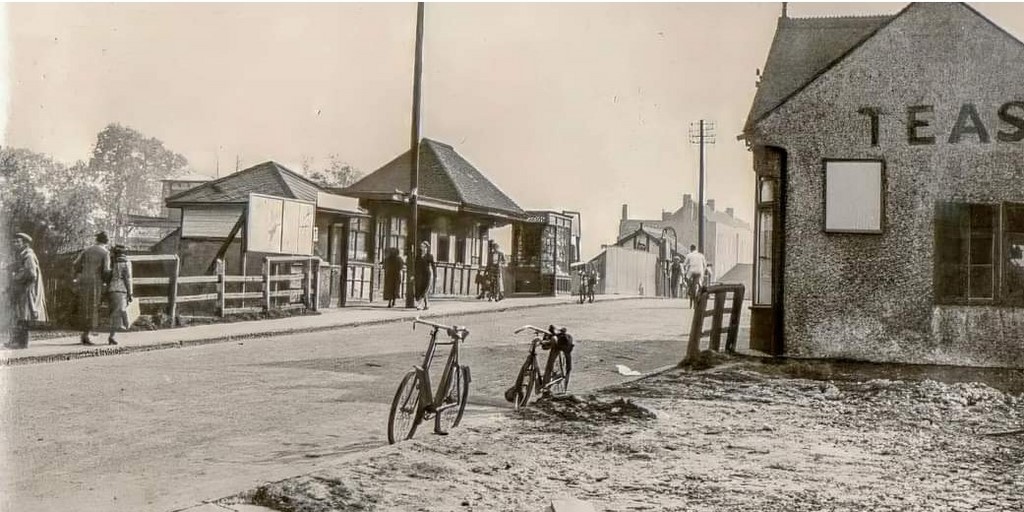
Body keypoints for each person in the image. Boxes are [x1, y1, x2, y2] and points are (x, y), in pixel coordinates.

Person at [5, 233, 46, 349]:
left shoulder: (28, 256)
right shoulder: (22, 255)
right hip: (22, 289)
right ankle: (19, 342)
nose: (16, 244)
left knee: (23, 315)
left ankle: (21, 343)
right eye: (14, 242)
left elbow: (31, 274)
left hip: (26, 290)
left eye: (18, 242)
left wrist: (16, 276)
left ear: (25, 243)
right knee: (21, 315)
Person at [73, 232, 111, 345]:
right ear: (106, 241)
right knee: (94, 306)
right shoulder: (105, 252)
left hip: (84, 281)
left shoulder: (87, 250)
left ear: (97, 240)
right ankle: (87, 335)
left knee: (85, 307)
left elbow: (75, 263)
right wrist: (106, 282)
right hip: (96, 282)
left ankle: (84, 334)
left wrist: (80, 274)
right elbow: (106, 270)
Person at [106, 245, 134, 345]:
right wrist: (130, 293)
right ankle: (114, 334)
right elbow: (128, 279)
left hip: (111, 290)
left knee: (114, 313)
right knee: (119, 312)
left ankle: (115, 332)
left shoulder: (111, 262)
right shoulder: (126, 263)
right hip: (121, 290)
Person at [414, 241, 435, 310]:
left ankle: (420, 304)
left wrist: (435, 275)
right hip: (420, 275)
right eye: (421, 247)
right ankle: (427, 304)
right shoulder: (418, 256)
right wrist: (414, 275)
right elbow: (416, 266)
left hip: (427, 274)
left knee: (425, 289)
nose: (422, 248)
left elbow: (433, 266)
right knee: (420, 289)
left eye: (423, 247)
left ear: (426, 248)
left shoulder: (429, 256)